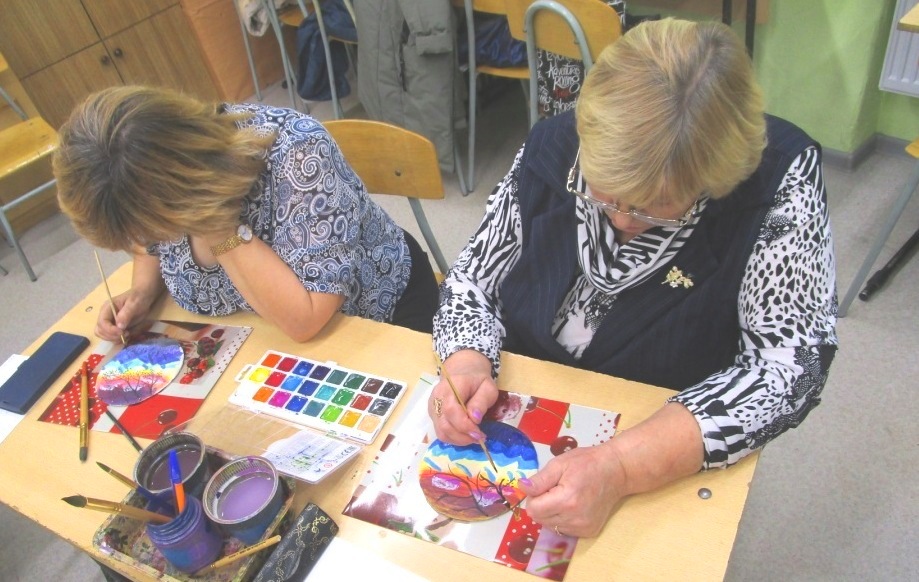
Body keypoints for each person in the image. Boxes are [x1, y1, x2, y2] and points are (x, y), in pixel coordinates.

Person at [428, 18, 838, 538]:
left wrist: (622, 466)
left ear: (714, 179)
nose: (621, 220)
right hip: (527, 395)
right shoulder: (561, 141)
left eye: (655, 207)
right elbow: (472, 279)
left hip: (660, 426)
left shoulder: (777, 185)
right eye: (603, 190)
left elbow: (787, 367)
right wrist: (466, 360)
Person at [53, 86, 439, 343]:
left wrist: (218, 228)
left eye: (156, 227)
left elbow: (305, 320)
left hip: (376, 317)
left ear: (181, 194)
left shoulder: (297, 154)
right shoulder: (148, 181)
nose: (152, 241)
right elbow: (148, 247)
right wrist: (142, 292)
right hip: (258, 335)